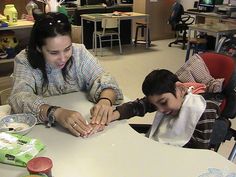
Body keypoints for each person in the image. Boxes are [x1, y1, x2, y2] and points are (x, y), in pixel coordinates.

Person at [9, 12, 123, 137]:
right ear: (38, 48)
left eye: (67, 49)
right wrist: (55, 112)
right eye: (54, 53)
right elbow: (19, 97)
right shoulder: (24, 60)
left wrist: (105, 101)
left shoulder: (79, 52)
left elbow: (103, 78)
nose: (63, 58)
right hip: (44, 135)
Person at [109, 69, 219, 149]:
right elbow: (138, 105)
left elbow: (198, 152)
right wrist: (114, 114)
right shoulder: (163, 98)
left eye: (163, 102)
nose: (160, 110)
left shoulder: (202, 109)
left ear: (180, 89)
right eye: (155, 105)